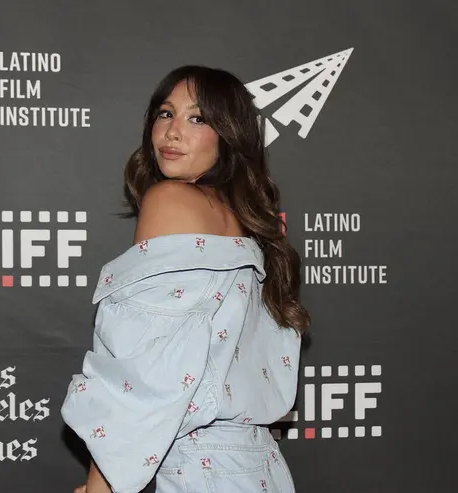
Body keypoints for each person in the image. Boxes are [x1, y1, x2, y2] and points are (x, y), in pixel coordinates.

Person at [61, 65, 311, 493]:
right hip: (260, 469)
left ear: (228, 134)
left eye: (197, 118)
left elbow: (145, 368)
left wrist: (102, 484)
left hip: (198, 470)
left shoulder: (170, 200)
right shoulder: (253, 227)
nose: (172, 132)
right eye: (165, 113)